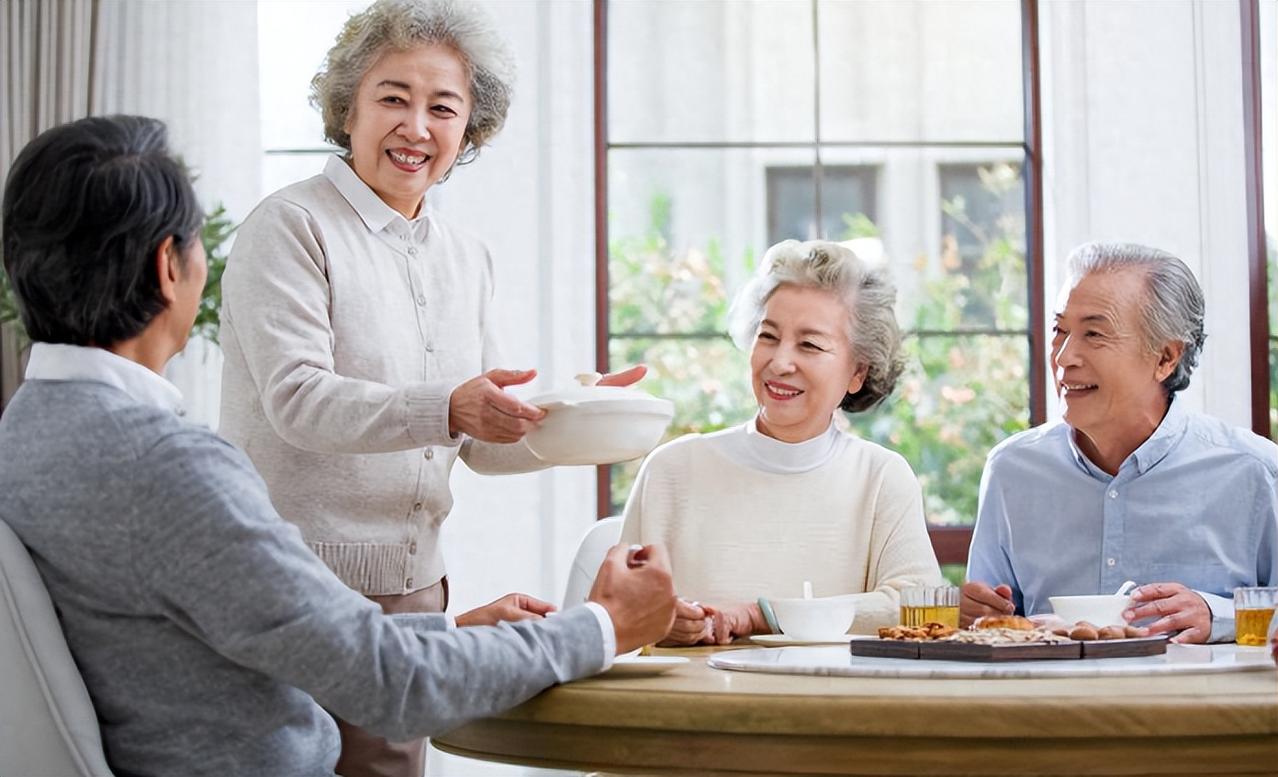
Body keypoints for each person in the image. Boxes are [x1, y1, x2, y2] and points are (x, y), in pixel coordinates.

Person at [0, 114, 676, 777]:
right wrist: (605, 623)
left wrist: (464, 632)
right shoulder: (170, 468)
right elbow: (391, 683)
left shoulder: (26, 434)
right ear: (168, 268)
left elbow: (194, 640)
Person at [218, 2, 642, 771]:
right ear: (347, 108)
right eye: (392, 98)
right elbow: (299, 400)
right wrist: (448, 405)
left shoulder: (466, 256)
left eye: (442, 107)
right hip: (292, 590)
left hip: (417, 595)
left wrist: (578, 418)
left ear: (469, 132)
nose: (416, 126)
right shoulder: (289, 228)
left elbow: (480, 440)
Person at [619, 239, 944, 644]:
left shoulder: (880, 477)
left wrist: (762, 615)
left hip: (835, 702)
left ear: (857, 372)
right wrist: (660, 625)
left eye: (809, 344)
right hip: (695, 701)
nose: (780, 362)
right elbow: (613, 617)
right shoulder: (671, 470)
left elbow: (919, 609)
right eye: (768, 336)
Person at [963, 242, 1278, 643]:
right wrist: (975, 613)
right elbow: (992, 624)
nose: (1063, 357)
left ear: (1165, 357)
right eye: (1060, 330)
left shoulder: (1255, 471)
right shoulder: (1012, 469)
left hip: (1195, 704)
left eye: (1093, 334)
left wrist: (1218, 615)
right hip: (1051, 702)